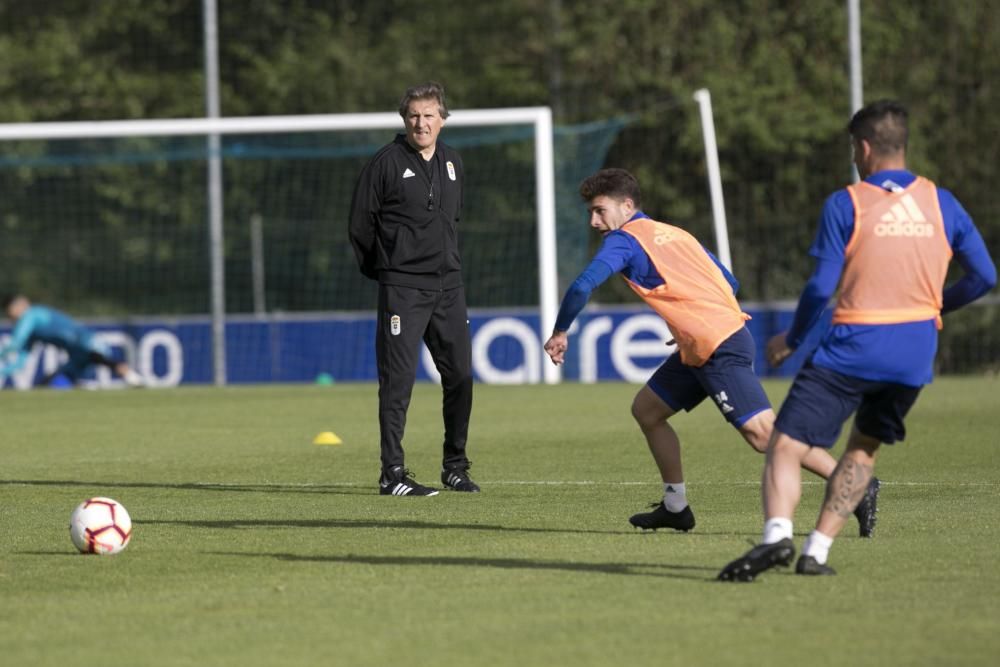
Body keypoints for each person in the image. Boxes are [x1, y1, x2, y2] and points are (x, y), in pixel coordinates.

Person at [718, 100, 997, 581]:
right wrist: (935, 309)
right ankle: (817, 552)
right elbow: (984, 277)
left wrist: (793, 338)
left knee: (785, 443)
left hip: (854, 346)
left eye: (853, 148)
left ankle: (777, 537)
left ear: (864, 147)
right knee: (864, 447)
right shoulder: (942, 202)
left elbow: (820, 287)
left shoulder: (846, 203)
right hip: (914, 353)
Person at [543, 168, 877, 533]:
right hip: (705, 342)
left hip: (717, 346)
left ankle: (855, 485)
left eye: (599, 210)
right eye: (590, 212)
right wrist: (691, 322)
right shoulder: (673, 233)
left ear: (626, 205)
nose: (593, 221)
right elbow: (729, 281)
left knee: (763, 435)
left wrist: (560, 332)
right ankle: (675, 507)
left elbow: (582, 286)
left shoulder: (624, 240)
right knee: (648, 410)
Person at [348, 82, 478, 497]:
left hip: (449, 287)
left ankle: (455, 466)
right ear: (404, 120)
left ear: (443, 119)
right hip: (402, 288)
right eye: (414, 116)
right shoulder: (384, 163)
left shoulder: (453, 162)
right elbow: (360, 224)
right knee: (398, 382)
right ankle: (392, 474)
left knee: (460, 376)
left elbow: (452, 220)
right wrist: (388, 269)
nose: (421, 123)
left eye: (429, 115)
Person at [0, 294, 144, 388]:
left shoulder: (32, 314)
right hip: (76, 357)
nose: (10, 316)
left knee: (96, 355)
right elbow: (20, 362)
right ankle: (85, 388)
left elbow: (15, 344)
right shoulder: (32, 331)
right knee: (54, 384)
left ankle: (129, 374)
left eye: (10, 310)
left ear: (20, 305)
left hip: (87, 342)